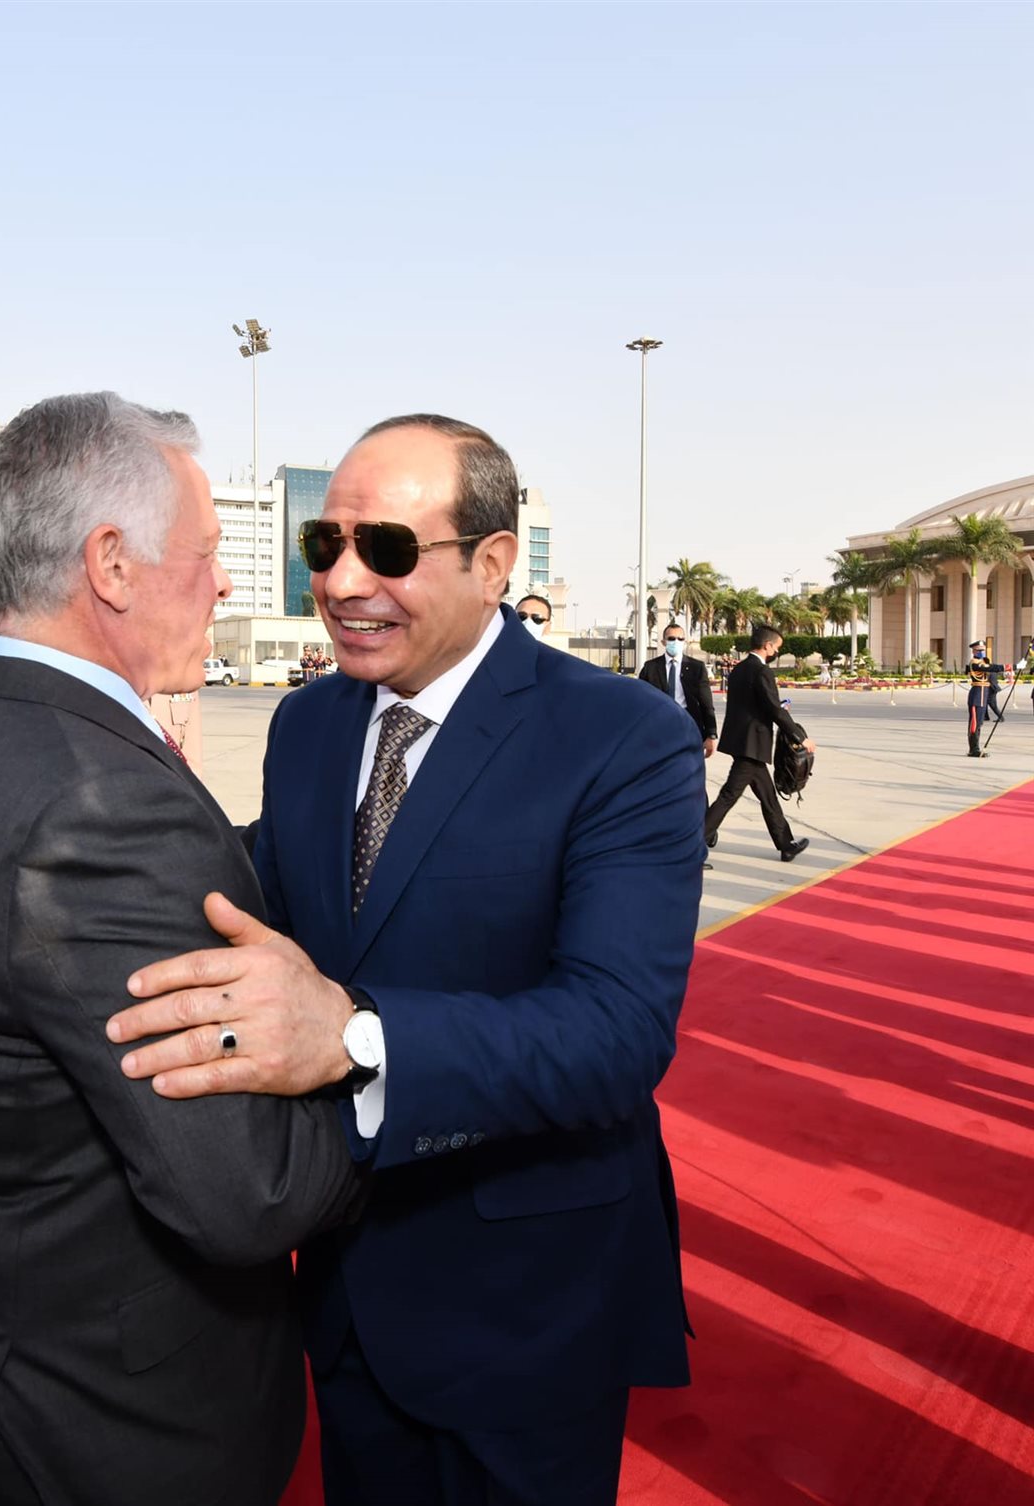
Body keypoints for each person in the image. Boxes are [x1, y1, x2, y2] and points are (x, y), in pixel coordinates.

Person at [110, 413, 701, 1506]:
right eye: (322, 545)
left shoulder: (620, 737)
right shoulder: (310, 725)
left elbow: (616, 1036)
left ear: (493, 563)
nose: (342, 582)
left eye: (385, 549)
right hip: (345, 1287)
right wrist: (21, 882)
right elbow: (252, 893)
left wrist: (351, 1037)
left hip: (529, 1304)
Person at [0, 393, 364, 1506]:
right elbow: (241, 1190)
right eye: (206, 552)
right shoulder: (98, 802)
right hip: (96, 1423)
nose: (225, 583)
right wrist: (371, 1056)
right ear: (111, 564)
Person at [703, 624, 815, 859]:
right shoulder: (762, 672)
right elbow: (773, 709)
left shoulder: (739, 670)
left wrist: (776, 708)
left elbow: (753, 704)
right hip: (752, 744)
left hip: (742, 741)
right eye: (776, 647)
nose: (776, 652)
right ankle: (692, 842)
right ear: (767, 645)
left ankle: (786, 845)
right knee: (729, 795)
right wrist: (800, 737)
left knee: (768, 796)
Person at [640, 623, 718, 869]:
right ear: (663, 641)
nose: (675, 642)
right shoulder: (650, 668)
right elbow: (640, 702)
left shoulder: (696, 668)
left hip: (689, 731)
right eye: (671, 638)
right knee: (659, 784)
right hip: (660, 734)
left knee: (693, 784)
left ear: (686, 641)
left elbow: (706, 703)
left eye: (679, 638)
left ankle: (702, 833)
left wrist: (711, 734)